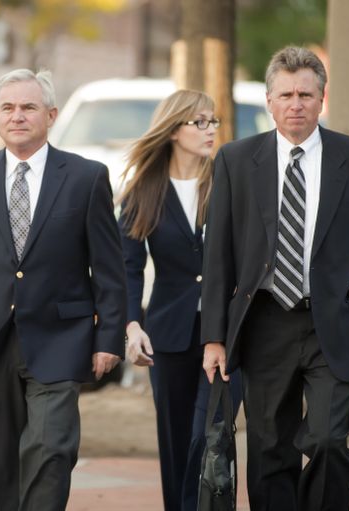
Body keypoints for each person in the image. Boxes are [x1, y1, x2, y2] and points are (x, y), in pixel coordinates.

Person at [201, 46, 349, 511]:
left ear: (322, 99)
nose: (296, 104)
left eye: (306, 94)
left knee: (326, 439)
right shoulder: (236, 161)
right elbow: (218, 255)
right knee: (269, 449)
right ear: (269, 101)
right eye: (285, 94)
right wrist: (214, 337)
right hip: (263, 323)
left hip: (335, 322)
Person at [0, 68, 127, 511]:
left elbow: (109, 268)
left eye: (29, 107)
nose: (18, 116)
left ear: (50, 115)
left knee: (52, 450)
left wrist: (110, 337)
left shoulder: (87, 177)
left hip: (61, 338)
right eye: (8, 108)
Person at [119, 89, 240, 511]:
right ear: (174, 130)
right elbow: (127, 268)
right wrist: (132, 325)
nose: (210, 131)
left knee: (209, 437)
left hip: (224, 337)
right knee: (174, 444)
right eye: (200, 122)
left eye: (213, 122)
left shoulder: (228, 181)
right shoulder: (143, 192)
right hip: (168, 336)